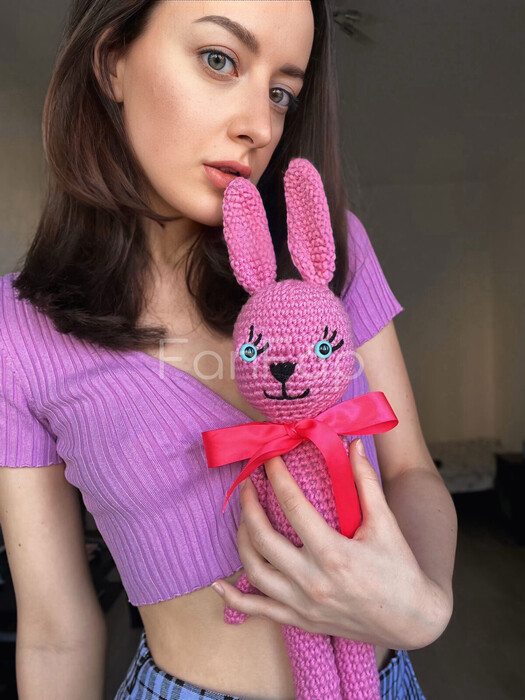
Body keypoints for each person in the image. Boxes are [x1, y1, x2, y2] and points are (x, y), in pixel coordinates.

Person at [0, 1, 457, 698]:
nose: (259, 126)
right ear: (111, 60)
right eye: (219, 60)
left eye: (281, 93)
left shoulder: (330, 254)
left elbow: (410, 471)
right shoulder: (17, 329)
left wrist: (424, 607)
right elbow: (55, 630)